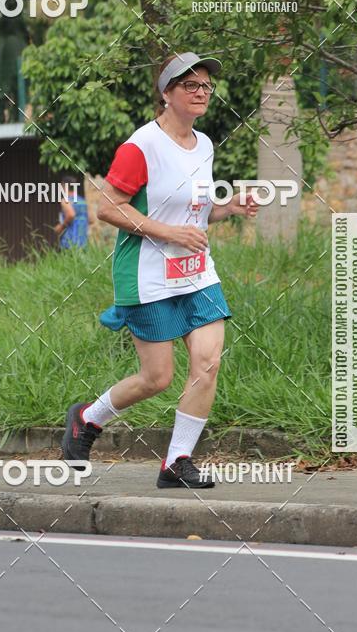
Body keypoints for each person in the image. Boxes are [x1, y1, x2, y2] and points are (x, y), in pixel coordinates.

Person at [61, 51, 258, 488]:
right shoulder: (141, 146)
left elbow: (197, 214)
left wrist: (229, 207)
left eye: (206, 86)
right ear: (167, 93)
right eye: (190, 85)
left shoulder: (204, 145)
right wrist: (168, 233)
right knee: (157, 378)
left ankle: (177, 462)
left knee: (207, 362)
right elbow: (106, 208)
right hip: (146, 275)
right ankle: (87, 419)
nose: (201, 92)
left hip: (197, 273)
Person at [54, 176, 92, 248]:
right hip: (83, 240)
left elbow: (71, 215)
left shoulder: (66, 200)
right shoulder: (83, 201)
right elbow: (91, 219)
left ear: (64, 186)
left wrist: (61, 226)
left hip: (70, 240)